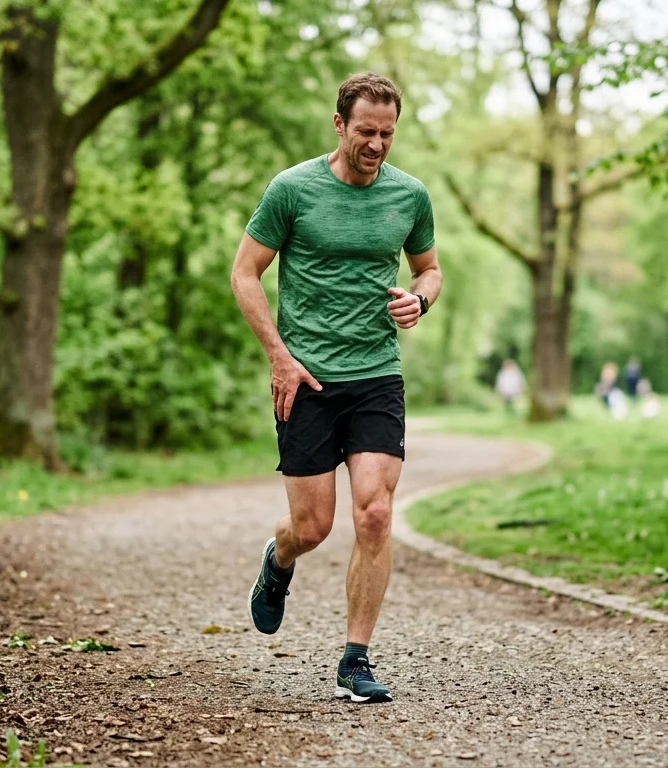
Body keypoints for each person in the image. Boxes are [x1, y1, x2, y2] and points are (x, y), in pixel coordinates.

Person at [230, 73, 441, 705]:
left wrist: (419, 300)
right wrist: (279, 357)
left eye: (387, 134)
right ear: (339, 125)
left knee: (375, 512)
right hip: (308, 377)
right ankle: (279, 560)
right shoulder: (292, 190)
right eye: (366, 132)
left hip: (376, 372)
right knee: (312, 525)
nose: (377, 145)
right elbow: (244, 274)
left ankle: (356, 659)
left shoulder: (410, 195)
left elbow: (429, 269)